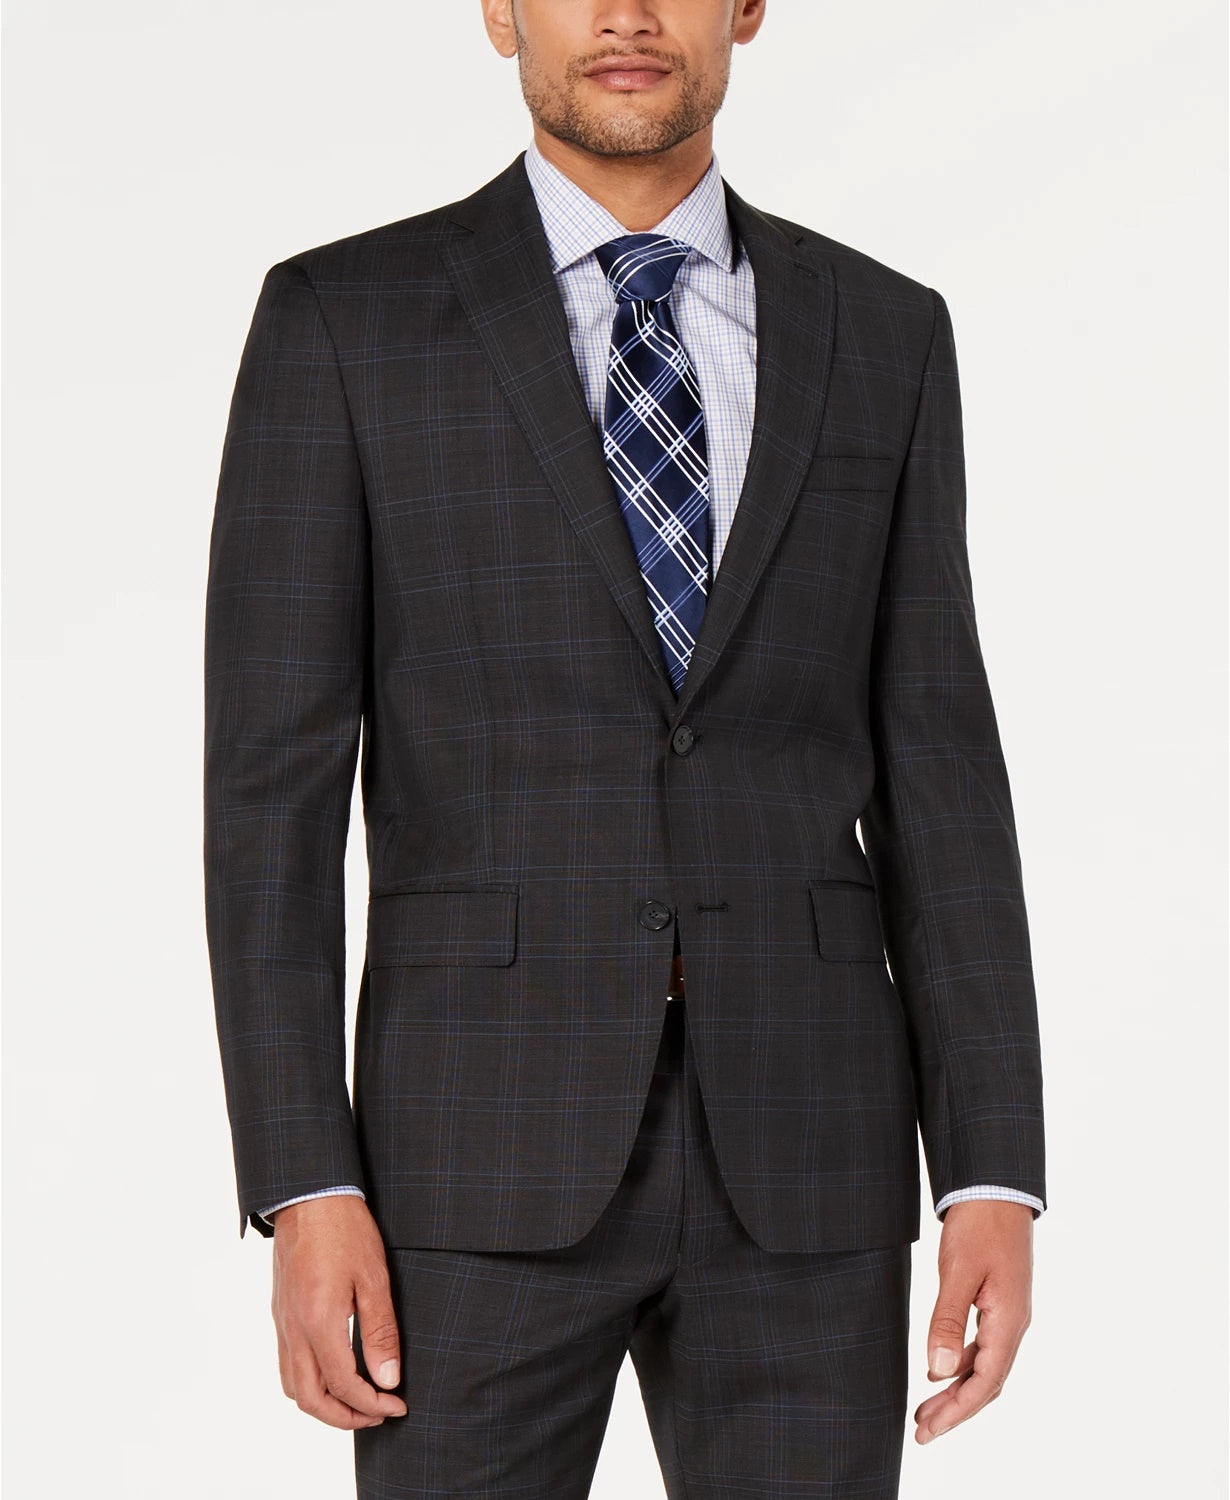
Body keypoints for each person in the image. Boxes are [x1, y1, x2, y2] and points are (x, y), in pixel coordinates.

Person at [204, 2, 1047, 1494]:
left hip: (811, 1153)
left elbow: (941, 772)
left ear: (747, 8)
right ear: (498, 11)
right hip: (463, 1159)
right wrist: (302, 1179)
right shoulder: (346, 320)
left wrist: (989, 1168)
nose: (627, 14)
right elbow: (271, 794)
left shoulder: (883, 332)